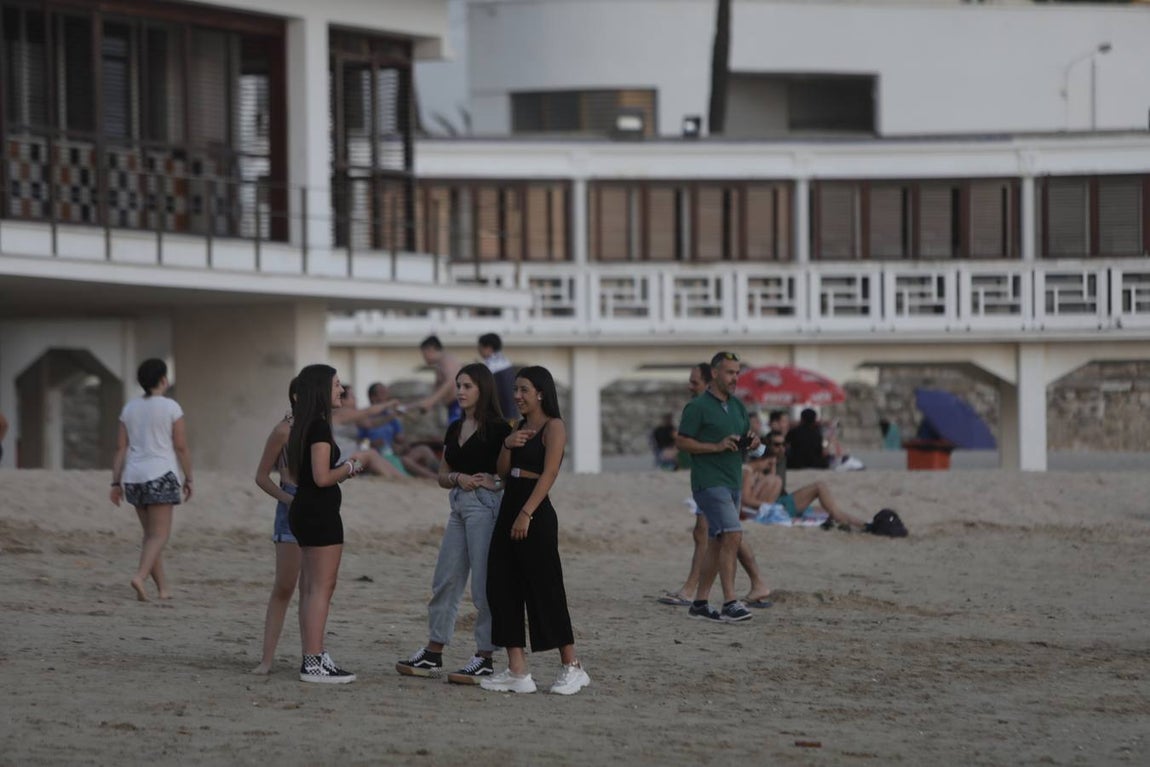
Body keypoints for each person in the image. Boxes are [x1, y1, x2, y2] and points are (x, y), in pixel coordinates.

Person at [397, 363, 512, 684]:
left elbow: (508, 474)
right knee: (445, 578)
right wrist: (458, 477)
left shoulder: (501, 429)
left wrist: (497, 484)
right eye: (458, 385)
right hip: (458, 507)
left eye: (467, 386)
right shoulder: (453, 427)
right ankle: (434, 651)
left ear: (483, 390)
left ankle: (485, 656)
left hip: (485, 509)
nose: (460, 391)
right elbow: (442, 476)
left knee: (482, 585)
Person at [481, 366, 590, 695]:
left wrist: (527, 512)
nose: (517, 396)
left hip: (535, 510)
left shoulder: (553, 426)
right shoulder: (519, 426)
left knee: (545, 587)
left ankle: (572, 666)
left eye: (524, 390)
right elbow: (501, 471)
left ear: (541, 392)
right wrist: (507, 442)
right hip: (510, 502)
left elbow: (551, 472)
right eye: (515, 390)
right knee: (501, 584)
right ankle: (517, 670)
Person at [287, 364, 375, 684]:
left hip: (304, 509)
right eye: (337, 385)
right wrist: (351, 465)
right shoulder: (319, 427)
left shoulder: (301, 424)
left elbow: (303, 475)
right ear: (322, 390)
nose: (342, 391)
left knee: (312, 587)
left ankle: (314, 654)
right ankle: (313, 660)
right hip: (319, 513)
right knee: (320, 589)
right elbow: (323, 477)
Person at [659, 363, 772, 609]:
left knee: (720, 534)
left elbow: (757, 445)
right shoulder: (700, 408)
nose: (691, 386)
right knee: (720, 534)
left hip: (727, 481)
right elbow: (683, 441)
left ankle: (704, 594)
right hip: (710, 483)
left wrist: (754, 445)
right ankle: (717, 595)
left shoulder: (732, 407)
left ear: (709, 379)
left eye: (694, 382)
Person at [108, 358, 193, 602]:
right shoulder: (171, 407)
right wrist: (189, 477)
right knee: (160, 535)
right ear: (164, 379)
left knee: (150, 537)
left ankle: (163, 589)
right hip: (161, 474)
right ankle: (140, 576)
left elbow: (120, 448)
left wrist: (115, 483)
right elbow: (181, 446)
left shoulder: (129, 408)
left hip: (133, 477)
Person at [251, 378, 301, 675]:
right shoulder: (283, 429)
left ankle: (314, 656)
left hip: (318, 507)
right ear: (296, 395)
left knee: (315, 588)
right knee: (284, 586)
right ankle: (266, 659)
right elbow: (261, 476)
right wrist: (287, 499)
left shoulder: (320, 426)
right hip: (292, 505)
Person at [761, 430, 867, 530]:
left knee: (826, 509)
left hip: (783, 500)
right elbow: (769, 490)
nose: (781, 448)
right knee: (819, 487)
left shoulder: (781, 459)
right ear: (768, 445)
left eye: (784, 444)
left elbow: (780, 488)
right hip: (777, 507)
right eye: (777, 445)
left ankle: (864, 525)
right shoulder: (766, 462)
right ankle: (851, 523)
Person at [358, 382, 441, 479]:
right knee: (405, 461)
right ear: (373, 398)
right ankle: (434, 477)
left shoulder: (390, 416)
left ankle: (442, 472)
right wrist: (371, 443)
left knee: (423, 449)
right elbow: (361, 444)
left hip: (392, 454)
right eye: (382, 393)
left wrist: (401, 446)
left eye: (386, 393)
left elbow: (400, 439)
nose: (386, 396)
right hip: (378, 457)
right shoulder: (364, 417)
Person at [415, 336, 463, 424]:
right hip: (453, 406)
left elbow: (451, 381)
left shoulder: (447, 360)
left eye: (424, 354)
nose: (424, 358)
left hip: (458, 405)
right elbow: (437, 389)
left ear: (431, 349)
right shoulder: (440, 364)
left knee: (457, 435)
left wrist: (431, 401)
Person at [478, 332, 518, 419]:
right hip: (513, 414)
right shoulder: (506, 362)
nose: (479, 350)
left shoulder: (489, 366)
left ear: (488, 348)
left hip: (500, 414)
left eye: (480, 347)